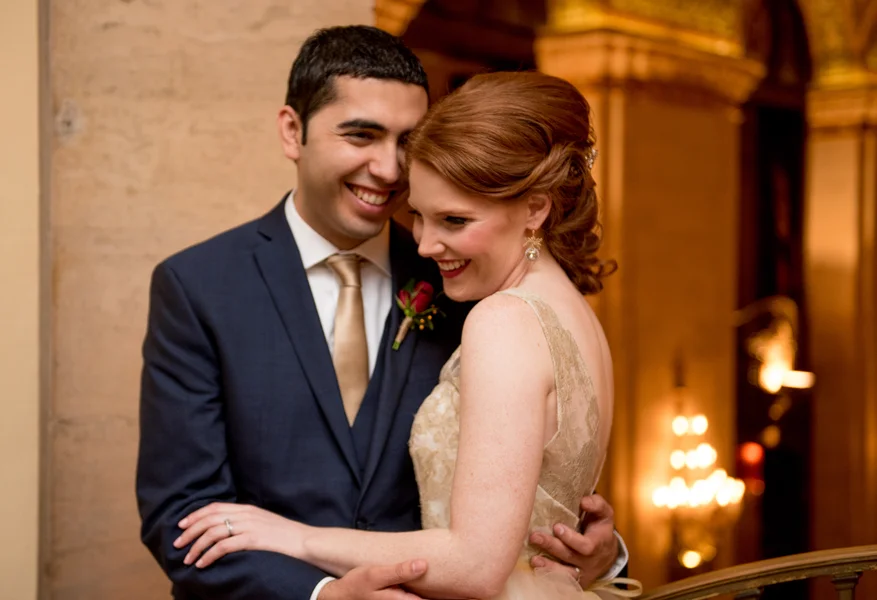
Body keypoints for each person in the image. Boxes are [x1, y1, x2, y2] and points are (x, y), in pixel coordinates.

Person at [137, 25, 627, 600]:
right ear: (293, 131)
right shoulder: (199, 286)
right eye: (362, 135)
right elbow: (184, 516)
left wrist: (599, 552)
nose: (390, 169)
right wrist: (323, 594)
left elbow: (523, 483)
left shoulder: (466, 280)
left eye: (407, 142)